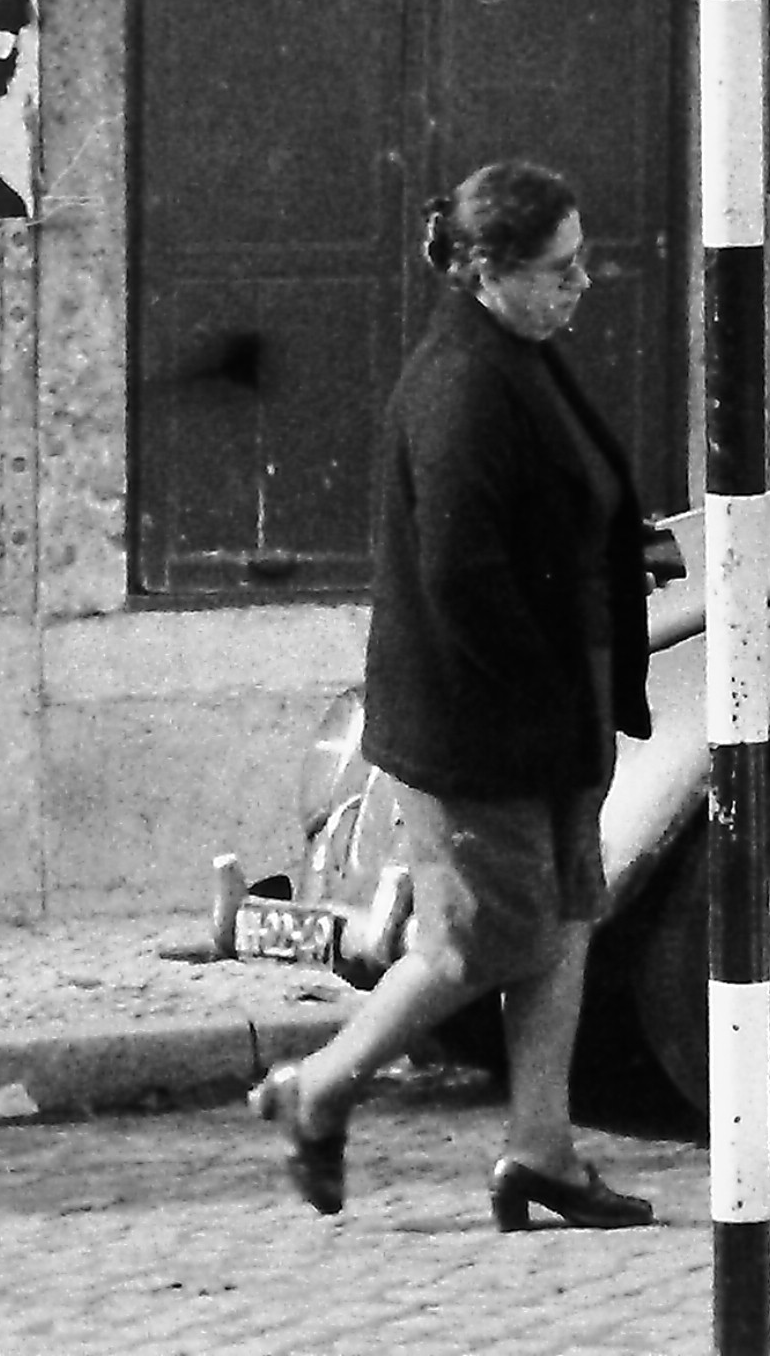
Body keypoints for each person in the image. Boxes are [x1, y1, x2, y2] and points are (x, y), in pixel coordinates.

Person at [250, 160, 663, 1231]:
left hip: (556, 712)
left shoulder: (521, 355)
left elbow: (547, 511)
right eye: (561, 269)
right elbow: (461, 576)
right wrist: (544, 691)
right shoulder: (463, 385)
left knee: (566, 918)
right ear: (487, 271)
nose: (583, 284)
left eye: (582, 262)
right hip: (489, 726)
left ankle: (542, 1151)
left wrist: (614, 550)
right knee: (480, 941)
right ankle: (316, 1088)